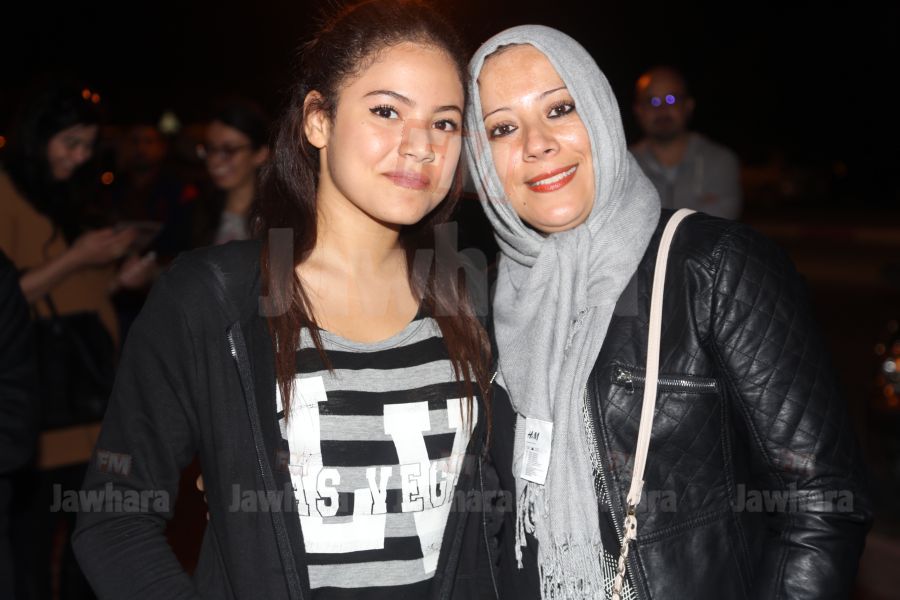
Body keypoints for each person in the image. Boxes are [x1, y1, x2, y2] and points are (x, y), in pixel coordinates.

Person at [73, 2, 499, 598]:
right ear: (318, 120)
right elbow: (114, 516)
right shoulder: (214, 299)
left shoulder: (477, 297)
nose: (420, 146)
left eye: (445, 123)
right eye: (386, 111)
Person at [464, 26, 871, 599]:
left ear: (600, 113)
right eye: (502, 128)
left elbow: (821, 503)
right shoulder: (479, 302)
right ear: (480, 159)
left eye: (559, 108)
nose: (537, 143)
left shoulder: (715, 266)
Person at [0, 79, 155, 600]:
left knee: (88, 547)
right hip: (42, 406)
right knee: (31, 545)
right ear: (36, 137)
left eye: (88, 145)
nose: (80, 156)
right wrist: (79, 256)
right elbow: (10, 295)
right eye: (70, 143)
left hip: (88, 397)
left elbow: (70, 299)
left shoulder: (68, 194)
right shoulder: (7, 192)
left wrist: (116, 280)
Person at [631, 66, 743, 219]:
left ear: (688, 105)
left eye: (671, 99)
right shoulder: (625, 168)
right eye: (652, 101)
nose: (662, 109)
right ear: (638, 110)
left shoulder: (721, 161)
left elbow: (718, 227)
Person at [193, 98, 270, 246]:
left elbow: (283, 260)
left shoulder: (281, 217)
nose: (215, 160)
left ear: (260, 154)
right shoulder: (196, 212)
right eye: (210, 148)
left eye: (229, 150)